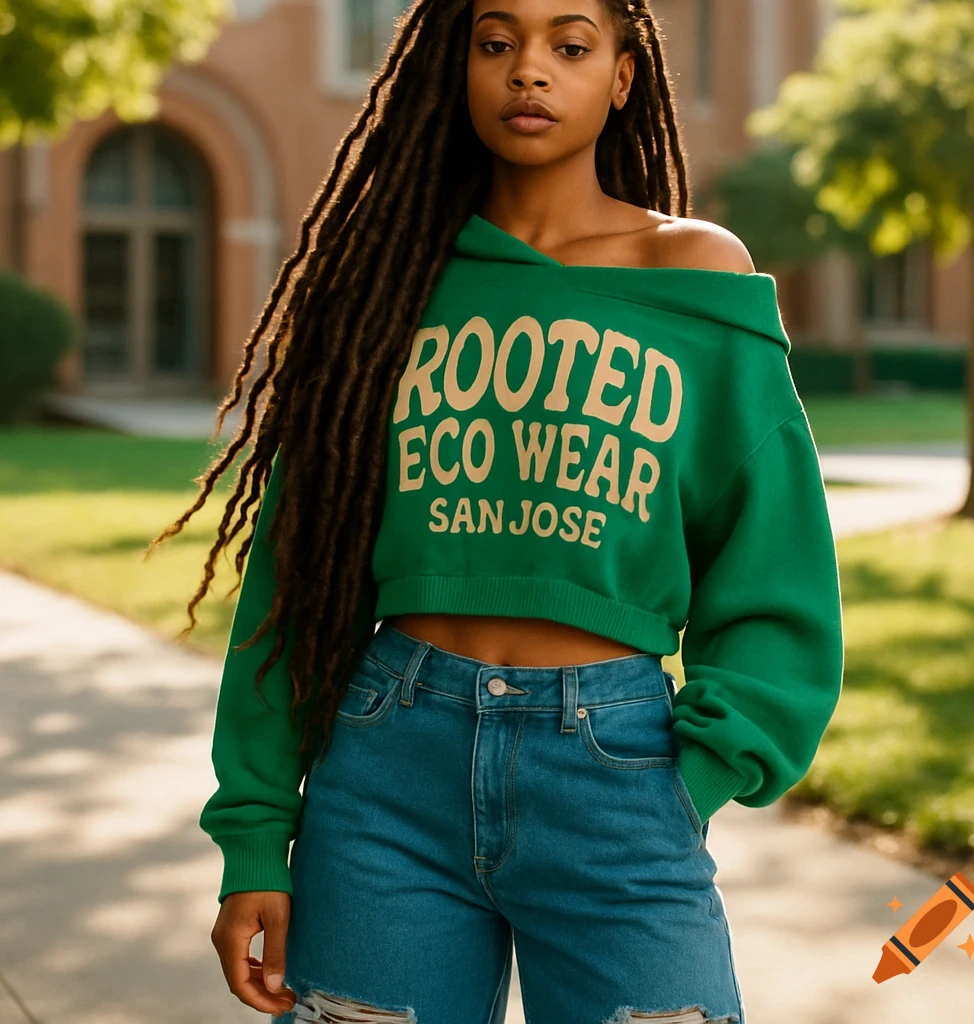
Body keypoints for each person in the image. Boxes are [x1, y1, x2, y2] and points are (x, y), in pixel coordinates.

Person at [152, 1, 844, 1021]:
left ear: (619, 76)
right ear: (456, 66)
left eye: (569, 45)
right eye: (496, 42)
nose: (530, 70)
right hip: (388, 770)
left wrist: (690, 777)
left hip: (615, 776)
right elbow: (296, 573)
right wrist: (256, 834)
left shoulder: (696, 278)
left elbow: (771, 558)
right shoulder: (385, 283)